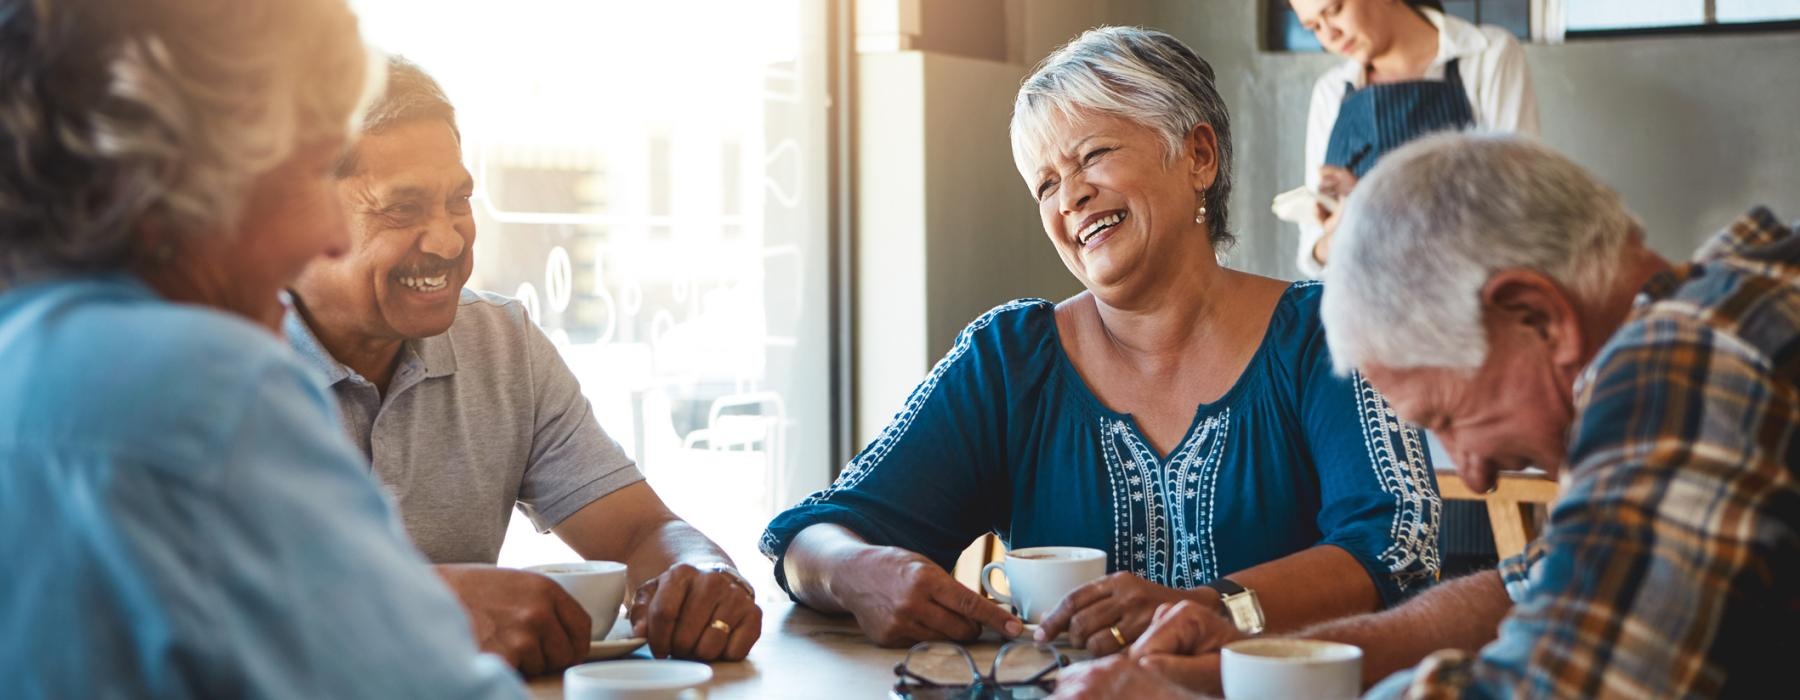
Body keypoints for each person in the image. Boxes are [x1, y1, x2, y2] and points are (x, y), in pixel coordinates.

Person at [761, 26, 1440, 656]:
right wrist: (857, 572)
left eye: (1094, 155)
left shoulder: (1328, 331)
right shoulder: (1008, 359)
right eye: (1047, 184)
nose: (1070, 199)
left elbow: (1397, 549)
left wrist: (1210, 609)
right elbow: (809, 533)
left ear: (1198, 156)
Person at [1050, 133, 1799, 699]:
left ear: (1537, 316)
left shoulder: (1695, 361)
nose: (1470, 470)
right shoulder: (1723, 310)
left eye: (1451, 417)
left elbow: (1546, 685)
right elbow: (1528, 590)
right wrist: (1239, 670)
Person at [0, 0, 523, 697]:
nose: (330, 237)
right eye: (310, 174)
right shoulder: (209, 386)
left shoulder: (22, 349)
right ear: (178, 186)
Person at [285, 57, 760, 672]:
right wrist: (432, 607)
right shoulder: (209, 364)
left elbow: (639, 533)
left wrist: (700, 571)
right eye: (402, 210)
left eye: (459, 200)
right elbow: (189, 605)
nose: (451, 241)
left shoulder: (502, 343)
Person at [1292, 0, 1537, 276]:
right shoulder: (1331, 90)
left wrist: (1371, 204)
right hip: (1361, 303)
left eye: (1334, 10)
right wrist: (1335, 238)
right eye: (1313, 26)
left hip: (1463, 298)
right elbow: (1312, 252)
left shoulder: (1489, 56)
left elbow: (1515, 205)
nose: (1329, 36)